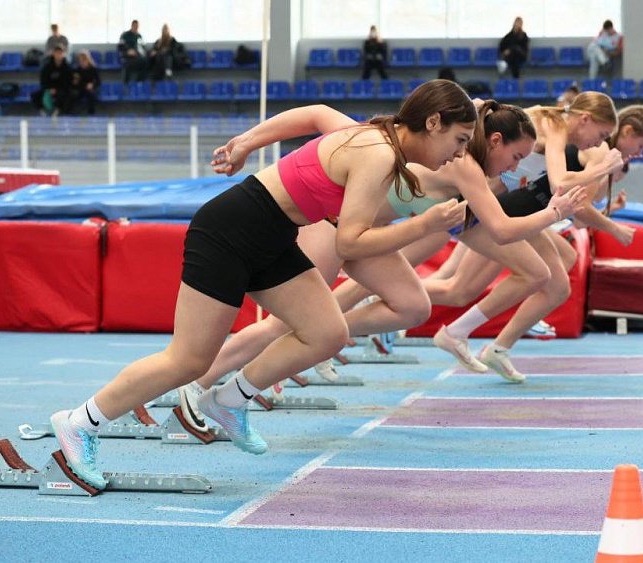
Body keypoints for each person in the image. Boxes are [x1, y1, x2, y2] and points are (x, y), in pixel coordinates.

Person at [46, 80, 478, 491]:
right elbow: (350, 240)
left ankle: (229, 399)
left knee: (327, 333)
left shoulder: (373, 137)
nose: (458, 155)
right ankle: (79, 422)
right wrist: (423, 224)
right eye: (459, 141)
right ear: (434, 122)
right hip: (230, 231)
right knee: (188, 361)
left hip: (274, 236)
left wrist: (248, 142)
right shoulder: (377, 152)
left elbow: (314, 113)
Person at [173, 101, 588, 417]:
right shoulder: (459, 164)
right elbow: (499, 229)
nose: (517, 169)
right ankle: (195, 386)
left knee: (412, 306)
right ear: (492, 141)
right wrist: (247, 141)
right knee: (288, 323)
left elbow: (489, 229)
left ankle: (311, 343)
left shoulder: (464, 164)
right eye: (516, 158)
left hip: (368, 239)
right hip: (332, 227)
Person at [423, 105, 643, 381]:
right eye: (641, 145)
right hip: (505, 211)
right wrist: (612, 226)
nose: (640, 153)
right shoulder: (589, 146)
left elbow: (573, 204)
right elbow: (571, 200)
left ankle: (502, 336)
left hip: (521, 211)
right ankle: (398, 303)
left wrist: (608, 212)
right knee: (460, 288)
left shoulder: (578, 141)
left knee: (559, 270)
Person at [31, 46, 73, 116]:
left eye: (60, 53)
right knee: (35, 95)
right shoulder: (47, 67)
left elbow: (68, 81)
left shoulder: (67, 67)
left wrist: (57, 89)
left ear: (63, 54)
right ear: (53, 54)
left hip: (61, 89)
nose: (58, 55)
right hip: (49, 88)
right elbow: (43, 80)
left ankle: (57, 110)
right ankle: (42, 111)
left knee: (65, 95)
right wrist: (49, 89)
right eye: (57, 53)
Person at [118, 19, 148, 83]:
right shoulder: (125, 35)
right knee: (127, 65)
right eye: (135, 26)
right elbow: (120, 46)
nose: (136, 28)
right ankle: (126, 84)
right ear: (132, 26)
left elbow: (143, 48)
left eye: (137, 26)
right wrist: (127, 51)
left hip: (137, 57)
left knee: (145, 61)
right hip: (127, 57)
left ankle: (140, 82)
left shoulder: (139, 36)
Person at [72, 50, 101, 115]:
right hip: (81, 88)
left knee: (91, 95)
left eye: (84, 60)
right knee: (73, 94)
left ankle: (91, 113)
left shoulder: (93, 69)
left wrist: (92, 85)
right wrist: (84, 85)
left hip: (90, 89)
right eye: (80, 60)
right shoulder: (77, 70)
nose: (82, 62)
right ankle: (73, 113)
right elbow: (75, 83)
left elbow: (98, 81)